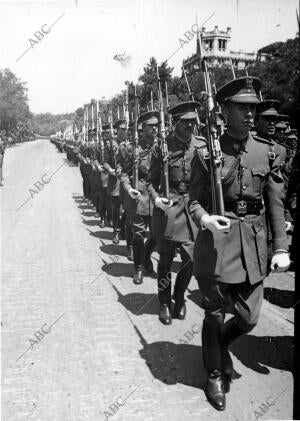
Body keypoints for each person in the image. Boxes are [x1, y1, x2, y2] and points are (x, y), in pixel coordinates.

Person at [188, 76, 290, 411]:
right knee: (215, 313)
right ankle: (214, 373)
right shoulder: (207, 152)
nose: (249, 115)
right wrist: (204, 219)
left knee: (248, 318)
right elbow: (193, 202)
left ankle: (221, 346)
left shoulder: (267, 150)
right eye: (242, 108)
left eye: (253, 109)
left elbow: (275, 202)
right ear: (225, 110)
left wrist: (280, 248)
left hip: (254, 245)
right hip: (218, 244)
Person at [148, 101, 203, 325]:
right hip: (169, 210)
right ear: (175, 123)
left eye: (193, 121)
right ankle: (164, 302)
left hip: (192, 208)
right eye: (185, 122)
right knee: (165, 260)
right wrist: (156, 198)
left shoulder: (201, 145)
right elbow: (149, 181)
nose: (190, 125)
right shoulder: (161, 148)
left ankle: (179, 296)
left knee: (190, 260)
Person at [121, 111, 159, 284]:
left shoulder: (162, 146)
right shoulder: (133, 149)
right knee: (138, 235)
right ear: (142, 128)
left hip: (157, 196)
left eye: (157, 126)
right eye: (151, 126)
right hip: (140, 197)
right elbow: (124, 174)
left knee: (157, 235)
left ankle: (146, 255)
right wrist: (129, 189)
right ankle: (138, 268)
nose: (155, 129)